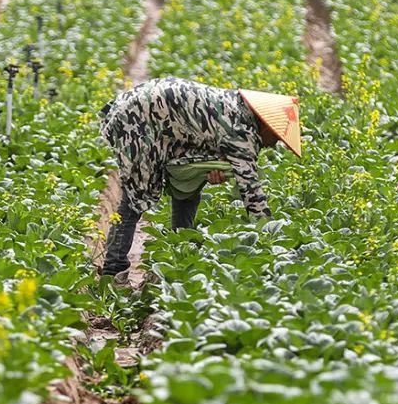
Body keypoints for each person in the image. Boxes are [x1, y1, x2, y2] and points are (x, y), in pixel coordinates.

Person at [98, 77, 301, 280]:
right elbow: (252, 194)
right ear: (266, 125)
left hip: (156, 117)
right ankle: (113, 268)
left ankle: (180, 247)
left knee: (188, 185)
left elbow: (201, 148)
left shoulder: (236, 106)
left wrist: (213, 170)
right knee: (137, 195)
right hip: (139, 118)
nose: (273, 145)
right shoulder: (241, 131)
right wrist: (271, 241)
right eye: (276, 137)